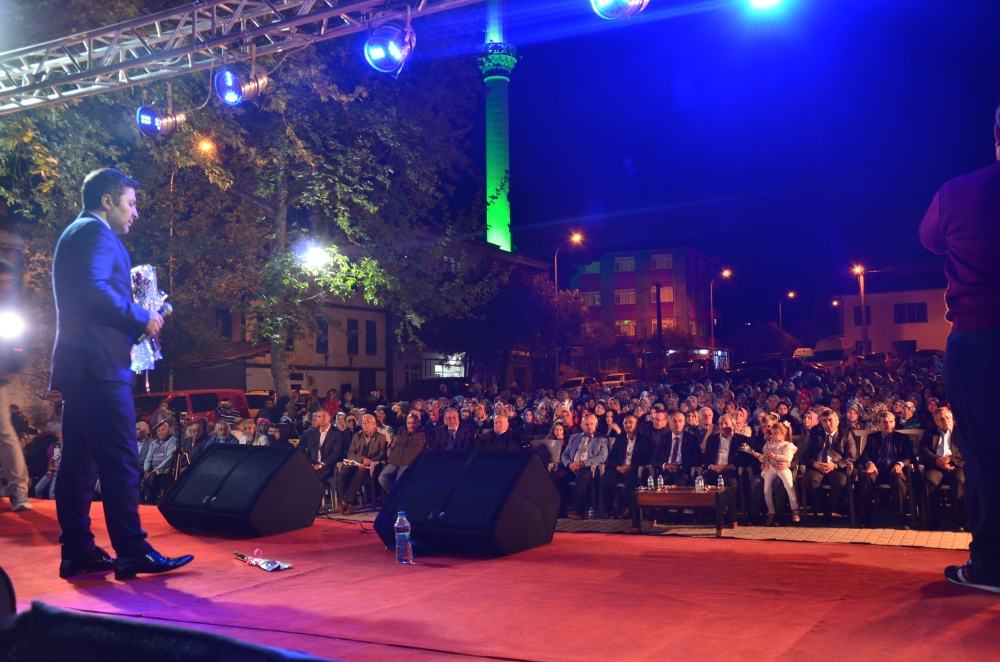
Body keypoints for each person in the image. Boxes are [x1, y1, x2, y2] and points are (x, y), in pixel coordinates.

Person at [48, 169, 192, 580]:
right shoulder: (95, 234)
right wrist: (142, 317)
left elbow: (89, 297)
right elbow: (95, 292)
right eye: (130, 203)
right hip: (98, 367)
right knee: (122, 460)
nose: (136, 212)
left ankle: (78, 550)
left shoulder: (78, 233)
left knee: (79, 464)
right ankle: (131, 549)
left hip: (81, 365)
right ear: (107, 201)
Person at [0, 260, 30, 511]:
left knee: (5, 434)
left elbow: (19, 342)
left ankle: (18, 489)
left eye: (8, 280)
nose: (5, 284)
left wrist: (12, 366)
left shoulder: (10, 308)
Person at [857, 411, 915, 529]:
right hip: (877, 469)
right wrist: (870, 463)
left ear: (894, 423)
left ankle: (902, 517)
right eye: (884, 422)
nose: (888, 425)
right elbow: (864, 456)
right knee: (866, 477)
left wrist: (900, 464)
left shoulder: (902, 437)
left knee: (898, 478)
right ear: (879, 424)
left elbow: (910, 457)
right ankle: (865, 517)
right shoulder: (872, 437)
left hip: (894, 468)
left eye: (890, 422)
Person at [802, 410, 857, 523]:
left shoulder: (846, 435)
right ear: (821, 423)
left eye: (830, 420)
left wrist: (835, 465)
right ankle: (826, 509)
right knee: (809, 479)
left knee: (841, 482)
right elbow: (806, 454)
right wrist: (814, 464)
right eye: (825, 421)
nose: (828, 423)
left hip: (836, 467)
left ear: (837, 421)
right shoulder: (815, 435)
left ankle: (834, 506)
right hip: (818, 466)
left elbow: (852, 456)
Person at [743, 418, 800, 526]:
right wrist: (760, 462)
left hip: (781, 468)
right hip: (766, 469)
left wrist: (788, 464)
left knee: (780, 483)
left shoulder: (787, 443)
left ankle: (781, 514)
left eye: (769, 426)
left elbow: (794, 458)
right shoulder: (757, 440)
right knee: (757, 483)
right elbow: (753, 460)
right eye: (763, 427)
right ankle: (757, 514)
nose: (767, 429)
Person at [920, 407, 966, 531]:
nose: (945, 420)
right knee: (929, 479)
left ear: (953, 419)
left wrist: (949, 459)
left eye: (947, 417)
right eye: (941, 418)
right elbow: (923, 450)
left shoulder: (960, 432)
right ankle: (932, 520)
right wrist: (937, 460)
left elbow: (966, 450)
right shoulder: (930, 432)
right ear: (936, 422)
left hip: (955, 465)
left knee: (959, 480)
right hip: (937, 465)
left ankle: (959, 521)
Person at [555, 414, 608, 519]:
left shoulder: (602, 438)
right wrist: (570, 464)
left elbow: (602, 457)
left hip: (589, 468)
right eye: (586, 424)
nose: (589, 426)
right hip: (572, 466)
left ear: (596, 425)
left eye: (592, 424)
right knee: (557, 476)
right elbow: (565, 454)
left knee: (581, 477)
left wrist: (584, 463)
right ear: (581, 426)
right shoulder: (574, 437)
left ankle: (579, 511)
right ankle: (561, 512)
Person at [600, 414, 652, 518]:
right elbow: (612, 456)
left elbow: (647, 458)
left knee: (631, 480)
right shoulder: (620, 438)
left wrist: (632, 466)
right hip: (619, 468)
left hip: (634, 468)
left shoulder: (644, 440)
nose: (628, 425)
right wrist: (617, 467)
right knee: (606, 480)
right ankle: (610, 510)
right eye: (625, 423)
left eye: (630, 422)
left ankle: (630, 509)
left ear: (636, 425)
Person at [336, 414, 387, 515]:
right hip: (356, 463)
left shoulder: (381, 437)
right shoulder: (357, 436)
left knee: (359, 474)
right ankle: (347, 503)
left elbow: (382, 455)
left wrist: (369, 461)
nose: (364, 424)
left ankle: (345, 502)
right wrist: (362, 459)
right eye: (362, 422)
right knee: (342, 474)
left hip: (371, 466)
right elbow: (350, 453)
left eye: (367, 422)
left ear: (374, 424)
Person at [379, 413, 428, 494]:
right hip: (394, 462)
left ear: (418, 423)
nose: (411, 425)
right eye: (409, 423)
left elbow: (428, 450)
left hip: (409, 463)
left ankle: (396, 499)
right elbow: (391, 446)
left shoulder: (424, 434)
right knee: (382, 478)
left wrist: (418, 463)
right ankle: (396, 497)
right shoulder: (400, 432)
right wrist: (390, 455)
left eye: (413, 423)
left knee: (399, 481)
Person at [651, 412, 699, 486]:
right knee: (655, 483)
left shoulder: (692, 439)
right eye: (674, 421)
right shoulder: (663, 438)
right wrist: (665, 465)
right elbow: (653, 459)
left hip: (683, 472)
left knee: (680, 483)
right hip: (665, 472)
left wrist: (680, 466)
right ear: (669, 424)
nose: (677, 424)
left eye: (680, 421)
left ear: (684, 423)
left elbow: (698, 459)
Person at [300, 410, 342, 485]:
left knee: (315, 477)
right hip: (313, 464)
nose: (321, 419)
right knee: (298, 474)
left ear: (329, 418)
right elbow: (308, 451)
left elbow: (335, 454)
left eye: (324, 416)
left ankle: (316, 496)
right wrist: (309, 463)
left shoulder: (337, 434)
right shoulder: (313, 434)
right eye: (319, 417)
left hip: (328, 465)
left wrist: (320, 465)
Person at [141, 421, 176, 505]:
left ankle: (150, 501)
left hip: (165, 470)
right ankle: (143, 500)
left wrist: (153, 471)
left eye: (163, 430)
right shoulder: (154, 443)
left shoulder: (172, 441)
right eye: (158, 431)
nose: (160, 432)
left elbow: (169, 459)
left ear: (167, 430)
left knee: (153, 477)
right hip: (152, 470)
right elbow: (148, 458)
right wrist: (146, 470)